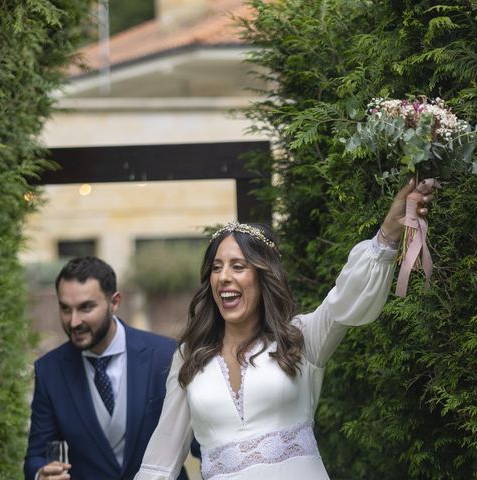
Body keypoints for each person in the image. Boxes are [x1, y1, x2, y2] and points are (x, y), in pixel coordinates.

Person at [133, 178, 436, 480]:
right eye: (216, 267)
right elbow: (161, 460)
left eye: (238, 266)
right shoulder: (190, 356)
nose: (223, 276)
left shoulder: (301, 336)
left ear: (263, 276)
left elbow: (346, 299)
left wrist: (390, 230)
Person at [23, 256, 191, 480]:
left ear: (115, 302)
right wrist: (39, 474)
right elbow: (36, 455)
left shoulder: (166, 356)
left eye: (86, 307)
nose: (74, 322)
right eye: (65, 309)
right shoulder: (49, 370)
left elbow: (204, 440)